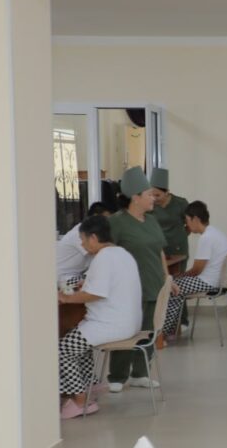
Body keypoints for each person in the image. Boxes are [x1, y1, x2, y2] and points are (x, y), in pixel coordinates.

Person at [56, 215, 141, 419]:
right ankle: (89, 386)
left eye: (83, 240)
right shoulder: (122, 253)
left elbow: (95, 294)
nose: (82, 245)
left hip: (111, 324)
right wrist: (84, 285)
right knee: (77, 338)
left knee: (62, 349)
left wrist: (66, 298)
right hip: (127, 321)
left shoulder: (103, 257)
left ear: (93, 237)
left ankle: (80, 401)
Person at [107, 167, 167, 393]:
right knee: (127, 331)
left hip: (154, 284)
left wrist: (167, 278)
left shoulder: (151, 220)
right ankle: (117, 375)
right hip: (129, 289)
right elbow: (107, 254)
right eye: (149, 194)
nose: (154, 198)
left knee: (150, 331)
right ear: (135, 197)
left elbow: (160, 251)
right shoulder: (117, 222)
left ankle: (140, 373)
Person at [161, 200, 227, 335]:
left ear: (196, 219)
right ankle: (171, 329)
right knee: (174, 285)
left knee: (170, 287)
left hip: (208, 282)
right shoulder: (216, 233)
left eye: (187, 220)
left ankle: (163, 332)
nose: (186, 224)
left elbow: (197, 270)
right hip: (217, 280)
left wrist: (180, 276)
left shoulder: (206, 238)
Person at [149, 168, 190, 327]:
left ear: (167, 192)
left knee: (178, 283)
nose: (155, 198)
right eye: (152, 194)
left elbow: (189, 224)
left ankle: (182, 321)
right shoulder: (151, 206)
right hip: (159, 250)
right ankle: (162, 322)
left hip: (179, 249)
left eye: (158, 195)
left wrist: (180, 236)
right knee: (161, 284)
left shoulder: (180, 203)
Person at [56, 202, 111, 288]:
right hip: (62, 279)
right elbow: (100, 254)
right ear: (95, 217)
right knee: (93, 282)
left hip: (74, 275)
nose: (108, 223)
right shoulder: (78, 234)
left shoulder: (87, 232)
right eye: (106, 219)